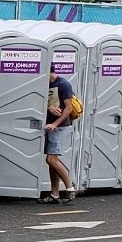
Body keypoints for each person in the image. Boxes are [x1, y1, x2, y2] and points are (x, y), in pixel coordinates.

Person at [42, 67, 81, 202]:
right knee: (52, 162)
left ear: (50, 71)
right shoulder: (44, 84)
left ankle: (70, 188)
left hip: (59, 127)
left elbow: (69, 108)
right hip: (49, 126)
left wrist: (55, 124)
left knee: (51, 159)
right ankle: (55, 194)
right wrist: (48, 107)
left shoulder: (63, 84)